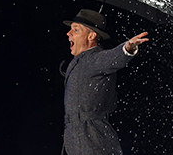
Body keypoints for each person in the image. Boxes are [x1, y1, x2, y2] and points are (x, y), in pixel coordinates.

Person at [60, 9, 148, 155]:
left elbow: (112, 58)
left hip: (94, 140)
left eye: (75, 29)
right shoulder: (79, 62)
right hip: (75, 138)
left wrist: (127, 48)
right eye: (70, 29)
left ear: (92, 36)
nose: (68, 33)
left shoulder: (95, 59)